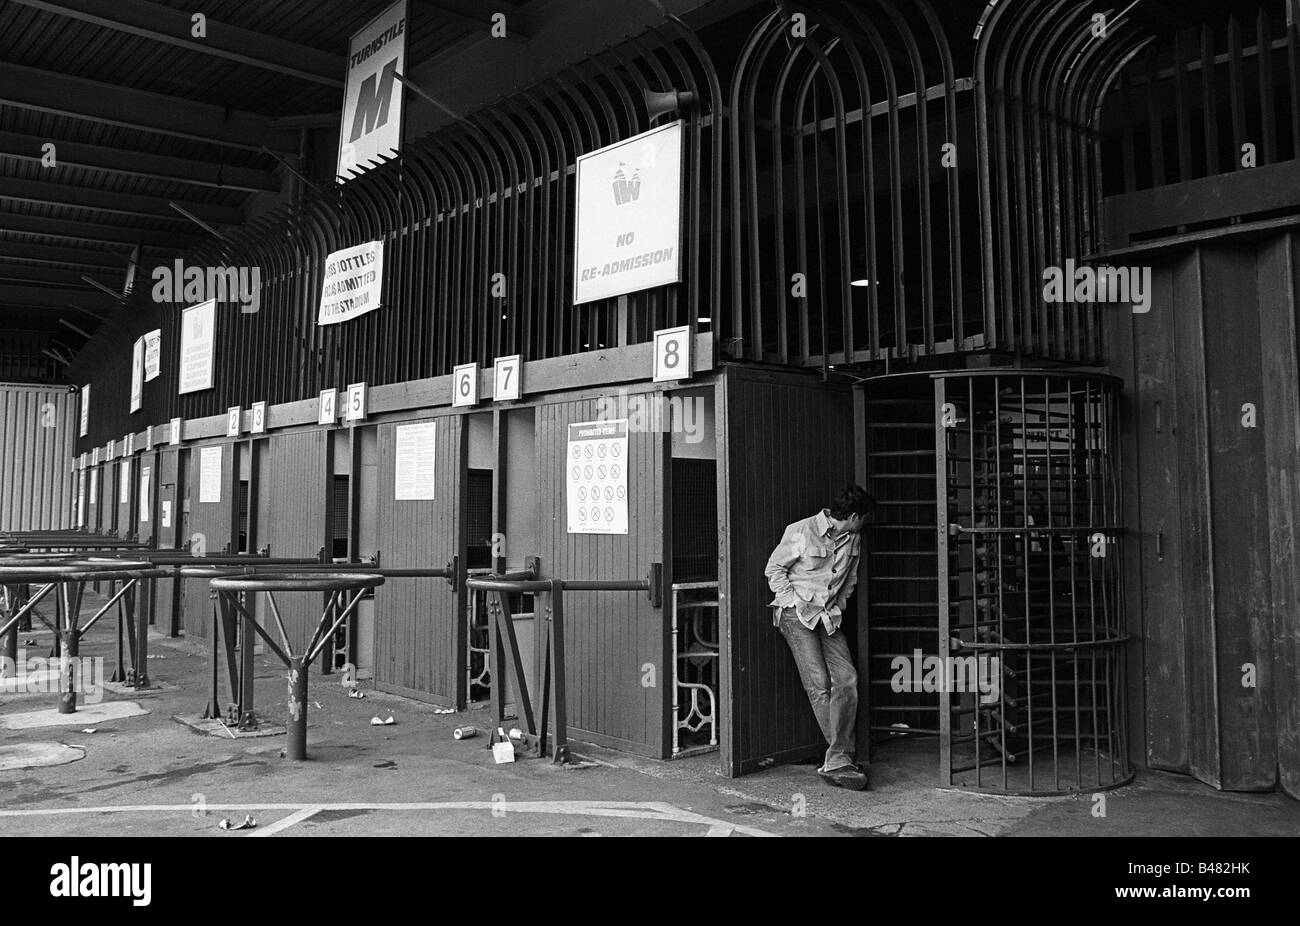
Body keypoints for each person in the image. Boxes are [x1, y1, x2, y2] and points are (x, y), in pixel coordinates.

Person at [764, 485, 877, 790]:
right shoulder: (801, 530)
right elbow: (774, 570)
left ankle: (839, 757)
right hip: (795, 615)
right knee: (819, 685)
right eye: (863, 518)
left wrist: (837, 607)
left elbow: (850, 579)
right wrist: (793, 603)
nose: (865, 524)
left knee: (847, 679)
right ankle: (840, 758)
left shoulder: (854, 538)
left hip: (828, 617)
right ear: (853, 516)